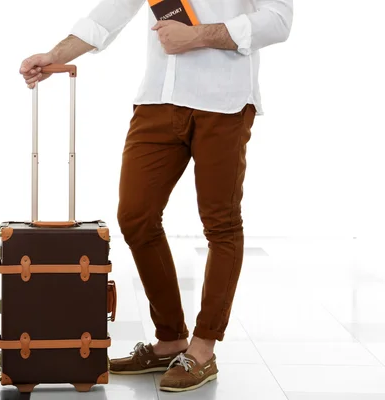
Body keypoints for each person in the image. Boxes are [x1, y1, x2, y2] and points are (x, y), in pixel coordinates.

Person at [19, 0, 293, 392]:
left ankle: (202, 349)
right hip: (158, 101)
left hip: (225, 103)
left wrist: (197, 35)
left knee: (221, 223)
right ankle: (170, 340)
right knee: (136, 216)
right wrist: (54, 55)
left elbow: (279, 20)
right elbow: (109, 14)